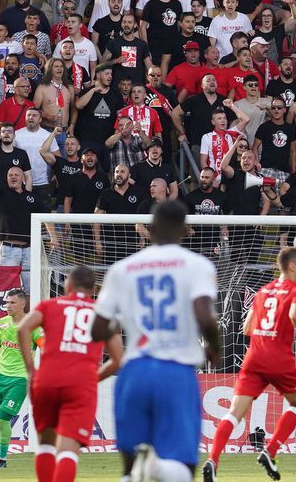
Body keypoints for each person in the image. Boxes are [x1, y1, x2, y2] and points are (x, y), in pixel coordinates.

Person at [91, 200, 220, 482]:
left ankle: (144, 466)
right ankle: (158, 468)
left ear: (150, 228)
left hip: (134, 371)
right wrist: (213, 348)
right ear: (186, 229)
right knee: (184, 466)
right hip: (175, 371)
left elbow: (98, 329)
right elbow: (205, 317)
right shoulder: (197, 265)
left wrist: (120, 320)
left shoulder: (123, 268)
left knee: (128, 466)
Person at [204, 246, 296, 482]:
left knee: (234, 413)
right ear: (291, 266)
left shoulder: (263, 292)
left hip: (254, 356)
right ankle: (271, 450)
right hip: (278, 357)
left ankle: (212, 460)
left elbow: (247, 329)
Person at [15, 266, 122, 482]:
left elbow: (22, 329)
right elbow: (119, 360)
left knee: (46, 444)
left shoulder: (49, 305)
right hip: (81, 385)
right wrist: (94, 378)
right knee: (68, 450)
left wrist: (31, 370)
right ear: (94, 289)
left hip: (46, 381)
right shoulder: (103, 314)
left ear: (68, 285)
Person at [0, 288, 42, 468]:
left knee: (3, 418)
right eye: (6, 302)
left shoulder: (33, 325)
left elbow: (45, 346)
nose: (7, 305)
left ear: (22, 304)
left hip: (20, 379)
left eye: (11, 302)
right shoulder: (1, 323)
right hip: (0, 377)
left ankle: (2, 459)